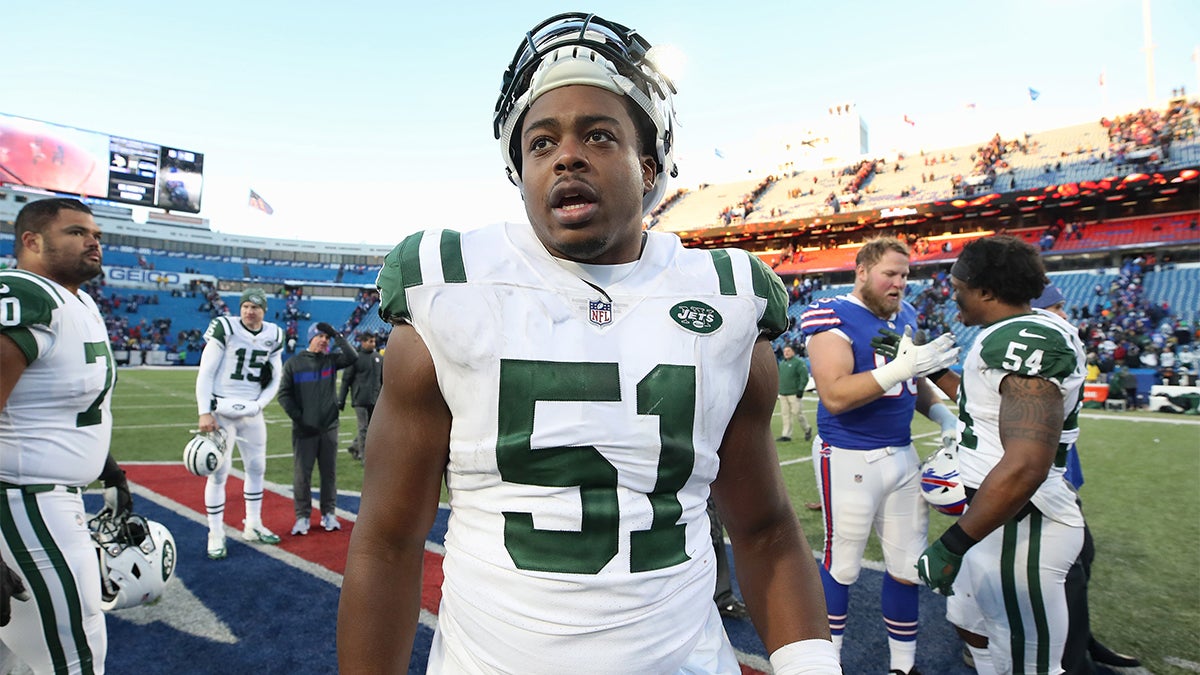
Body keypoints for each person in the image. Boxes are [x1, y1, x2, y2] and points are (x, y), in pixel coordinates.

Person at [338, 12, 838, 674]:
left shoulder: (725, 299)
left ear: (650, 166)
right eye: (540, 143)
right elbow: (389, 541)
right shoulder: (450, 288)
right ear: (520, 173)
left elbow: (767, 529)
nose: (566, 154)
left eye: (599, 135)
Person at [916, 236, 1087, 675]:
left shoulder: (1023, 341)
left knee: (1028, 664)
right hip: (998, 519)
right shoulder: (1025, 329)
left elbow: (1027, 462)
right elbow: (986, 408)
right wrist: (932, 369)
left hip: (1021, 522)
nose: (954, 298)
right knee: (976, 628)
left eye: (959, 288)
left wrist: (953, 543)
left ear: (987, 291)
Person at [799, 236, 960, 675]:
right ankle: (826, 664)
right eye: (890, 273)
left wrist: (942, 413)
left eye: (905, 275)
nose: (899, 284)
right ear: (863, 271)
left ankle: (902, 668)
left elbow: (912, 379)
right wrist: (903, 367)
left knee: (908, 564)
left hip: (902, 455)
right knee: (844, 563)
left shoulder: (904, 315)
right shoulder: (832, 314)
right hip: (850, 457)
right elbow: (834, 394)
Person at [0, 197, 131, 673]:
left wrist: (109, 469)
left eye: (95, 233)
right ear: (31, 242)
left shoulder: (79, 302)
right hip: (22, 503)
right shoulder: (23, 295)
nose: (93, 240)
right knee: (73, 659)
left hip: (50, 500)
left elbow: (70, 404)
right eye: (76, 232)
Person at [1030, 285, 1142, 674]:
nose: (1064, 314)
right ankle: (1072, 660)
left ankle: (1082, 643)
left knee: (1082, 561)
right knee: (1065, 574)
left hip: (1061, 480)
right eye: (1055, 307)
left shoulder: (1059, 349)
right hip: (1039, 487)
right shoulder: (1029, 351)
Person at [195, 286, 285, 559]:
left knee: (257, 468)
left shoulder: (274, 333)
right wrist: (204, 410)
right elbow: (206, 371)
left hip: (251, 411)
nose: (249, 311)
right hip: (221, 409)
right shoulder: (225, 326)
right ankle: (215, 533)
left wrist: (260, 404)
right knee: (219, 473)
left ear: (264, 310)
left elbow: (276, 376)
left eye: (255, 307)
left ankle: (253, 524)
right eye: (245, 306)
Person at [278, 322, 356, 535]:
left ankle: (328, 513)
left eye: (327, 338)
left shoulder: (330, 361)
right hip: (304, 430)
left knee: (329, 474)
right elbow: (284, 395)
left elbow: (352, 357)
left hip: (329, 427)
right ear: (310, 338)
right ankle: (302, 517)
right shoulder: (294, 363)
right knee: (302, 475)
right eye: (320, 336)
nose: (324, 340)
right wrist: (299, 418)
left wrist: (337, 334)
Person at [338, 332, 383, 461]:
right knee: (363, 428)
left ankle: (355, 446)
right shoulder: (355, 358)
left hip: (375, 399)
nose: (373, 344)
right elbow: (346, 380)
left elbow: (383, 379)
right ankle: (365, 456)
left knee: (372, 428)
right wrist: (341, 399)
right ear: (362, 342)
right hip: (360, 399)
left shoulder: (379, 358)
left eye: (374, 341)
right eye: (370, 341)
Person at [777, 344, 813, 442]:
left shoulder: (798, 363)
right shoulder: (782, 364)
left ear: (793, 352)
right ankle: (786, 435)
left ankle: (807, 428)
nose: (786, 353)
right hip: (783, 393)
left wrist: (800, 390)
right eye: (784, 351)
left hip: (794, 393)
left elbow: (804, 377)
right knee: (785, 414)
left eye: (788, 351)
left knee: (798, 413)